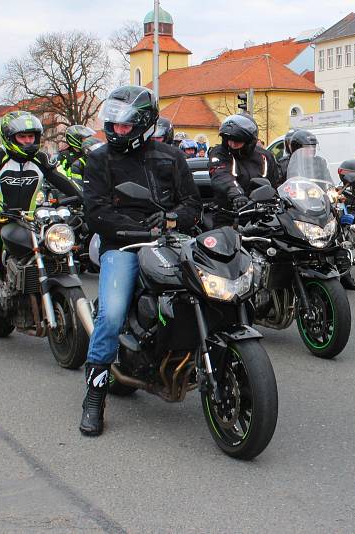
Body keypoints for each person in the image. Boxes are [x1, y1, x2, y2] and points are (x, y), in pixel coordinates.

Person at [79, 85, 201, 436]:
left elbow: (193, 205)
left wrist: (171, 220)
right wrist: (135, 229)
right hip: (123, 246)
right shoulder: (100, 159)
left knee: (208, 288)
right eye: (113, 125)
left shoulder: (171, 157)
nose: (118, 131)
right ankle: (94, 395)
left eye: (125, 125)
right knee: (112, 313)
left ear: (144, 123)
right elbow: (96, 212)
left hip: (171, 240)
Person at [0, 111, 81, 354]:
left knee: (56, 249)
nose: (29, 142)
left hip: (29, 221)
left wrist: (85, 200)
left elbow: (63, 181)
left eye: (32, 137)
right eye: (23, 137)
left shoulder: (42, 159)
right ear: (10, 137)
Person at [286, 129, 355, 291]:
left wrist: (333, 192)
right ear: (296, 148)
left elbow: (327, 180)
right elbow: (283, 185)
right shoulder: (285, 163)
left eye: (313, 147)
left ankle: (345, 273)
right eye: (307, 147)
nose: (311, 150)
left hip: (319, 201)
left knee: (337, 227)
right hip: (298, 204)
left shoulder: (320, 162)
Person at [209, 113, 279, 228]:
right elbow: (221, 175)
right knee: (227, 242)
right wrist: (237, 194)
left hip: (262, 214)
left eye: (237, 140)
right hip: (229, 215)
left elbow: (276, 183)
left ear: (249, 140)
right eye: (229, 139)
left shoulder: (265, 157)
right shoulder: (219, 153)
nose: (232, 143)